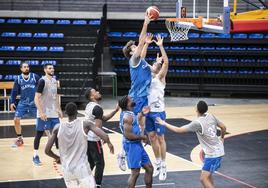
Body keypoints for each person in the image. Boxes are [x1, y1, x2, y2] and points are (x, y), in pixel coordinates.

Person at [156, 100, 226, 188]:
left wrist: (164, 123)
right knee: (208, 175)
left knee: (203, 179)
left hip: (213, 154)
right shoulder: (211, 116)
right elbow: (223, 127)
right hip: (215, 150)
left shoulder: (197, 123)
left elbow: (179, 130)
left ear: (197, 110)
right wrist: (222, 137)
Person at [45, 102, 114, 188]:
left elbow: (47, 151)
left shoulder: (57, 128)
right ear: (77, 112)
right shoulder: (85, 125)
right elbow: (104, 135)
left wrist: (57, 158)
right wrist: (109, 143)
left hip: (68, 171)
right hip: (82, 170)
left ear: (66, 113)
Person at [146, 35, 169, 181]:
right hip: (149, 112)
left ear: (158, 68)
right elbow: (142, 62)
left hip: (159, 112)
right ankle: (158, 162)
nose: (152, 64)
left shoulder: (160, 78)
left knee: (161, 139)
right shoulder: (150, 75)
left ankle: (164, 166)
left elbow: (166, 62)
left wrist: (160, 45)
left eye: (154, 64)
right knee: (152, 138)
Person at [84, 87, 118, 188]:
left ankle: (84, 180)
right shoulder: (97, 108)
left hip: (87, 138)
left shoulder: (90, 106)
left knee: (91, 162)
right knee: (100, 163)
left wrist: (116, 110)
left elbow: (103, 118)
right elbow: (98, 127)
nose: (98, 92)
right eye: (95, 92)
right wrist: (106, 140)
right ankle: (97, 185)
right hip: (94, 139)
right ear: (91, 96)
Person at [118, 95, 153, 188]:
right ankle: (121, 155)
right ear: (127, 103)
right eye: (131, 99)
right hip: (132, 146)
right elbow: (128, 135)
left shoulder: (130, 113)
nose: (133, 100)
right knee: (135, 173)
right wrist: (142, 137)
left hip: (137, 145)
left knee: (149, 168)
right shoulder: (127, 117)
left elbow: (135, 120)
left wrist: (142, 113)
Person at [33, 63, 63, 166]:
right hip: (44, 113)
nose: (52, 69)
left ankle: (59, 156)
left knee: (58, 133)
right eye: (50, 68)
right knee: (39, 134)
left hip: (53, 112)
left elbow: (55, 97)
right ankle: (35, 156)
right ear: (45, 70)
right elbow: (36, 98)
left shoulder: (55, 81)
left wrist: (59, 109)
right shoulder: (42, 81)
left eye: (53, 68)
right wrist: (41, 112)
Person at [10, 61, 40, 147]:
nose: (27, 68)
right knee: (16, 120)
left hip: (35, 103)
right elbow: (14, 92)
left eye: (27, 67)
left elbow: (41, 88)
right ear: (21, 69)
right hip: (23, 103)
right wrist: (12, 102)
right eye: (25, 67)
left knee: (43, 120)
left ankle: (50, 138)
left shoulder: (35, 77)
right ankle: (19, 139)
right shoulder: (18, 79)